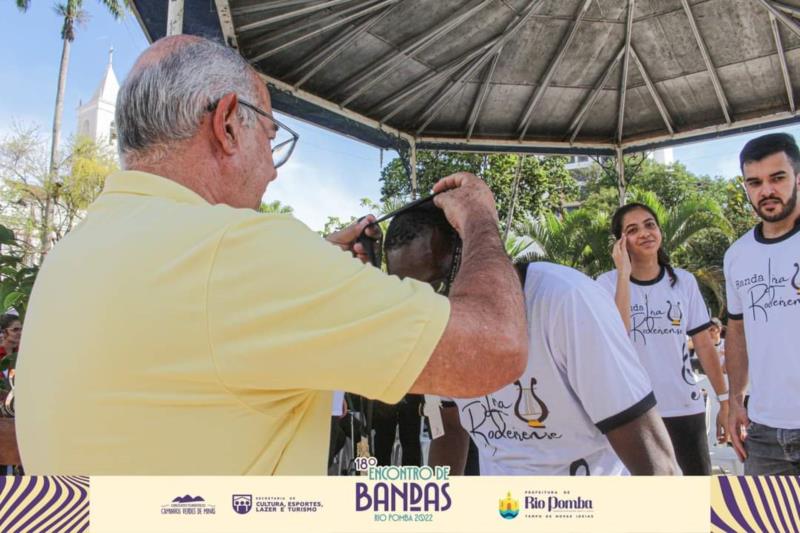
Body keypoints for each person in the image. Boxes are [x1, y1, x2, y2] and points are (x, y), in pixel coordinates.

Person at [15, 36, 528, 475]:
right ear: (227, 124)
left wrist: (317, 260)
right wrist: (480, 219)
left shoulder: (72, 256)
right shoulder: (241, 254)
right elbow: (496, 348)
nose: (273, 170)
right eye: (270, 137)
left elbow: (193, 325)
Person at [385, 203, 679, 476]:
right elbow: (448, 428)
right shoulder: (435, 327)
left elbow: (657, 467)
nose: (431, 309)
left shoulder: (567, 301)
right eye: (414, 297)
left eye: (438, 286)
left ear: (479, 253)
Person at [597, 203, 729, 475]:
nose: (645, 233)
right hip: (634, 413)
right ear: (621, 242)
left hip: (684, 407)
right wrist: (623, 275)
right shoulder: (606, 284)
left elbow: (704, 345)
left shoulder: (684, 282)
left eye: (650, 225)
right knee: (648, 498)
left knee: (695, 495)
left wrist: (725, 400)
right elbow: (618, 336)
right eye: (632, 230)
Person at [724, 132, 800, 475]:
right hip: (764, 432)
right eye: (754, 182)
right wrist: (735, 400)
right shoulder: (737, 255)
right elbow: (737, 331)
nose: (766, 190)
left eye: (777, 178)